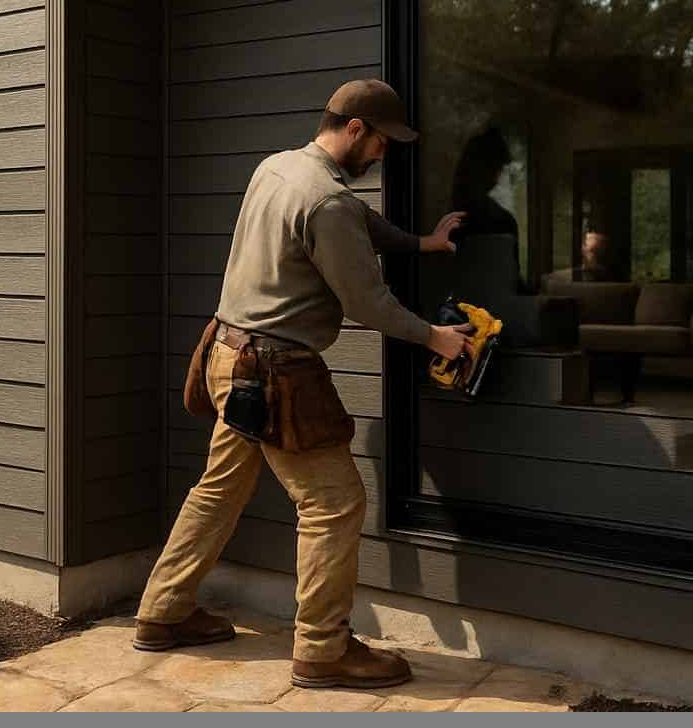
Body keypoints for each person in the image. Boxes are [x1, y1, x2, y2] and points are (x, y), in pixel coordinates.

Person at [133, 79, 476, 689]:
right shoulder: (330, 203)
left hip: (225, 355)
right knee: (334, 503)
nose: (382, 155)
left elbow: (360, 222)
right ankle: (323, 649)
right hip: (274, 374)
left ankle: (163, 612)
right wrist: (435, 338)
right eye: (380, 143)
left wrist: (422, 243)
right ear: (353, 129)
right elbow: (368, 302)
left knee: (218, 490)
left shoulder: (279, 168)